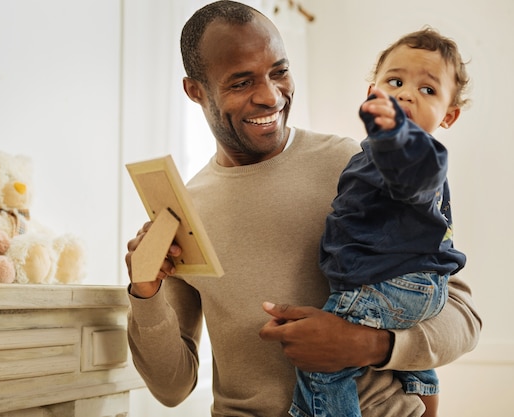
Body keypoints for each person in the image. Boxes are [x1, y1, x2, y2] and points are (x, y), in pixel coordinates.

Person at [125, 2, 481, 416]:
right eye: (241, 82)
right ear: (195, 90)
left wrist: (366, 345)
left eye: (279, 72)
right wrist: (144, 293)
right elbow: (172, 388)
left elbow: (462, 315)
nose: (270, 96)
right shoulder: (185, 212)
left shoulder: (355, 165)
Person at [290, 28, 469, 417]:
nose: (406, 94)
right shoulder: (376, 153)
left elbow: (408, 175)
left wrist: (393, 134)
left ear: (448, 115)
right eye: (396, 81)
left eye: (427, 90)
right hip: (421, 286)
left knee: (322, 364)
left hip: (388, 283)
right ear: (372, 92)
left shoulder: (417, 155)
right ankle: (424, 392)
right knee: (405, 348)